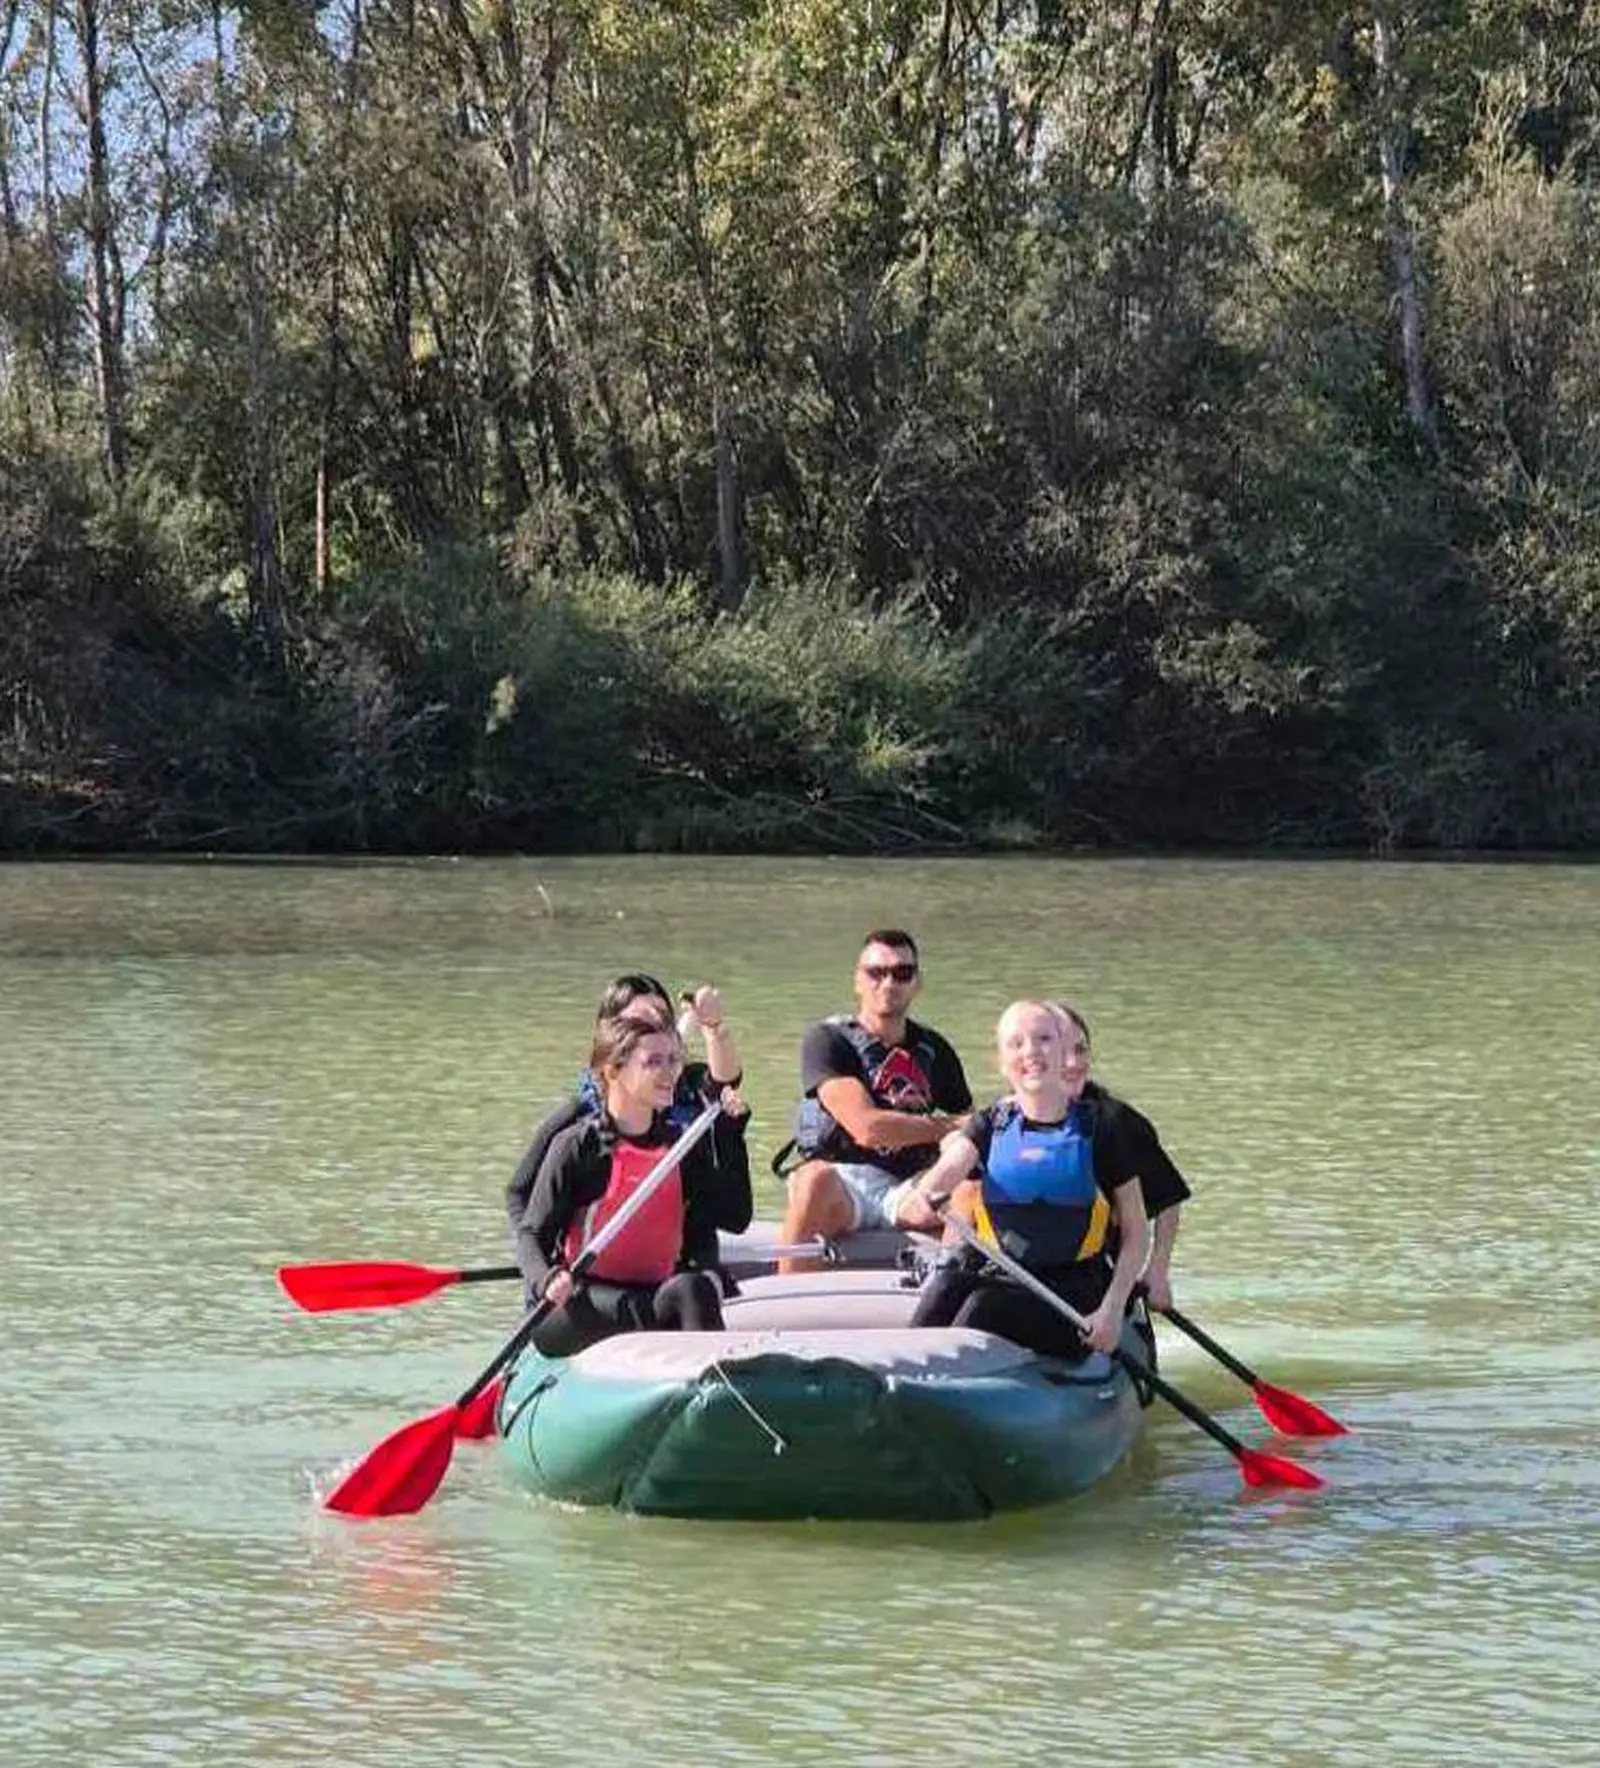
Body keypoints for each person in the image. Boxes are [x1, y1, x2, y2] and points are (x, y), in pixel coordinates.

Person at [906, 1000, 1149, 1359]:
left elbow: (1136, 1233)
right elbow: (950, 1169)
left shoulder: (1103, 1129)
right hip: (1003, 1277)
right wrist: (927, 1192)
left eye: (1044, 1039)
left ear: (1064, 1051)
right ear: (1002, 1063)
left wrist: (1111, 1311)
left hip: (1074, 1297)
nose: (1031, 1052)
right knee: (947, 1287)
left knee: (982, 1307)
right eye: (1016, 1043)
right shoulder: (990, 1124)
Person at [514, 1004, 753, 1357]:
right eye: (653, 1062)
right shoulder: (580, 1146)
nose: (670, 1072)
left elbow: (734, 1218)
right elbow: (532, 1234)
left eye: (673, 1060)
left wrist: (732, 1136)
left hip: (647, 1296)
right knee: (629, 1306)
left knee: (693, 1289)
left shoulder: (680, 1145)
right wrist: (547, 1278)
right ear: (613, 1071)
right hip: (580, 1303)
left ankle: (713, 1388)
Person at [777, 929, 972, 1272]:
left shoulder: (935, 1049)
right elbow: (867, 1128)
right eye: (876, 973)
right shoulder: (828, 1040)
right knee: (811, 1180)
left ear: (917, 983)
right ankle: (787, 1306)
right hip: (846, 1181)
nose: (888, 983)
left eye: (902, 973)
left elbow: (972, 1131)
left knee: (973, 1186)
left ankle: (951, 1298)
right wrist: (950, 1127)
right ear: (857, 980)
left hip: (911, 1186)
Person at [504, 972, 741, 1245]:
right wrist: (537, 1262)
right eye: (641, 1020)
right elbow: (518, 1191)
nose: (655, 1026)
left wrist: (713, 1026)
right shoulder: (580, 1120)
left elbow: (726, 1083)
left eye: (663, 1018)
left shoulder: (686, 1087)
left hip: (671, 1262)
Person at [1047, 1001, 1191, 1311]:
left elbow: (1168, 1198)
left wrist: (1158, 1270)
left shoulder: (1118, 1122)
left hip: (1098, 1274)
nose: (1074, 1063)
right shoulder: (1004, 1119)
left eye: (1081, 1050)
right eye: (1062, 1052)